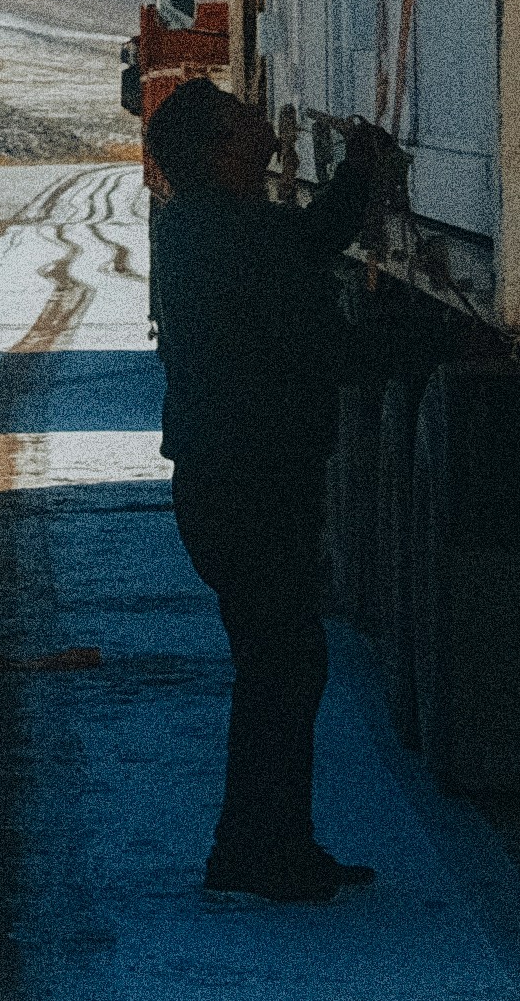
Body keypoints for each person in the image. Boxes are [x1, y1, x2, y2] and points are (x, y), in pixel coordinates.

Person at [144, 77, 398, 900]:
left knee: (276, 667)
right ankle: (264, 850)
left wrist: (356, 180)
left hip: (228, 486)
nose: (268, 130)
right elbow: (328, 335)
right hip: (249, 487)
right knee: (286, 666)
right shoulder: (232, 239)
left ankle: (258, 846)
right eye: (245, 121)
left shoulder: (203, 229)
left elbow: (307, 240)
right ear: (219, 151)